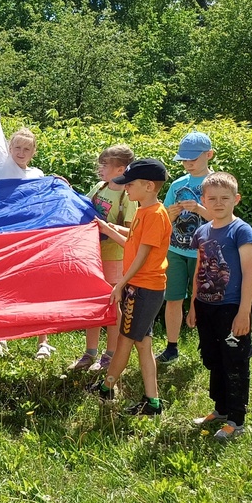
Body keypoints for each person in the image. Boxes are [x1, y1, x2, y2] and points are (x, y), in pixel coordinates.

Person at [88, 159, 171, 415]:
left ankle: (106, 388)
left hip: (142, 289)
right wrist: (107, 228)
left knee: (125, 340)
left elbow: (142, 256)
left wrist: (121, 284)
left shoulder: (155, 215)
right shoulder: (144, 211)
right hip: (142, 287)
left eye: (130, 184)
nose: (126, 189)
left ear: (148, 186)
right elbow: (133, 245)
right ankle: (153, 401)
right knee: (143, 344)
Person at [186, 172, 252, 440]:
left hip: (231, 307)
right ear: (203, 200)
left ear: (235, 199)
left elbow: (249, 273)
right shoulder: (202, 231)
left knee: (234, 363)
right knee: (213, 358)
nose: (218, 203)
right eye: (212, 198)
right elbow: (198, 271)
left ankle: (236, 420)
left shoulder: (242, 231)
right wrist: (193, 305)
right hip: (205, 306)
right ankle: (221, 409)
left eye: (225, 198)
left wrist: (243, 312)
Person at [71, 145, 143, 372]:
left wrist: (108, 229)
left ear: (120, 168)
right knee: (93, 302)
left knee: (112, 305)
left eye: (104, 165)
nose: (99, 169)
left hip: (116, 258)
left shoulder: (128, 197)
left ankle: (110, 354)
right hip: (93, 255)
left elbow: (132, 235)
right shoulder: (99, 187)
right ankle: (89, 352)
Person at [0, 128, 56, 359]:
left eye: (27, 148)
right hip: (5, 237)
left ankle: (43, 342)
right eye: (17, 147)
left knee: (38, 287)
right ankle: (0, 338)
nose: (21, 152)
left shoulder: (38, 175)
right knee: (2, 287)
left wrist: (56, 183)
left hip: (32, 238)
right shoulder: (0, 170)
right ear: (9, 148)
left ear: (34, 152)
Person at [157, 131, 214, 365]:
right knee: (173, 299)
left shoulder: (217, 183)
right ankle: (172, 347)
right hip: (176, 250)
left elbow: (225, 219)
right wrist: (169, 215)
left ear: (209, 155)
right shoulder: (178, 184)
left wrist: (199, 209)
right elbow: (164, 218)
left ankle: (209, 347)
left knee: (205, 300)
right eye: (184, 160)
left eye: (193, 159)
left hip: (205, 252)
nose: (188, 164)